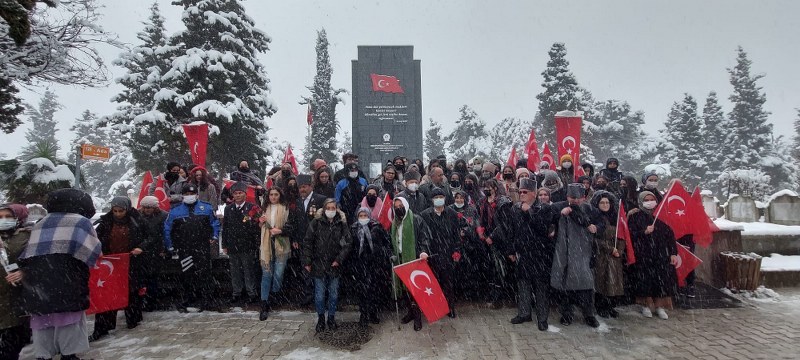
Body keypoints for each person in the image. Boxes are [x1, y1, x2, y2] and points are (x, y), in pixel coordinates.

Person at [18, 189, 101, 360]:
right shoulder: (81, 222)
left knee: (43, 322)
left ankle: (44, 355)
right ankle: (68, 355)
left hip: (39, 283)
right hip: (68, 280)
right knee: (69, 321)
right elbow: (92, 252)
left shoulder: (41, 222)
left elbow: (27, 255)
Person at [90, 197, 152, 342]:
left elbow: (151, 237)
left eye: (121, 211)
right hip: (111, 263)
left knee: (131, 291)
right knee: (107, 294)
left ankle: (133, 320)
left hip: (131, 262)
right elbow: (95, 239)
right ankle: (103, 327)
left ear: (127, 209)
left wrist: (141, 247)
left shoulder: (137, 220)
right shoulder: (105, 222)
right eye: (115, 211)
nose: (118, 214)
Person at [502, 179, 554, 331]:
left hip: (539, 253)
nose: (522, 194)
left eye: (525, 192)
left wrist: (529, 211)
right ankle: (524, 313)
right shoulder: (515, 208)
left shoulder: (543, 208)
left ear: (534, 193)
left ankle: (542, 318)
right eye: (520, 192)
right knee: (523, 284)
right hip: (522, 253)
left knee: (540, 287)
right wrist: (510, 250)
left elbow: (542, 228)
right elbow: (511, 231)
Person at [550, 184, 603, 328]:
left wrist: (596, 227)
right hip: (564, 252)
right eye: (571, 197)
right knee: (566, 286)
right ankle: (566, 314)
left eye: (577, 198)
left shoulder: (591, 209)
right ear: (567, 197)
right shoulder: (558, 206)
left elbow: (602, 223)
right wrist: (560, 214)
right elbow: (547, 219)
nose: (574, 201)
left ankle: (589, 315)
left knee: (586, 286)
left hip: (584, 253)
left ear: (584, 198)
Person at [163, 184, 221, 312]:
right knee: (187, 274)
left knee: (205, 274)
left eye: (192, 194)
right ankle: (188, 299)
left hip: (202, 247)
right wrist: (170, 245)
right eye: (187, 194)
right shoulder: (175, 211)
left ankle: (207, 300)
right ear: (183, 195)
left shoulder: (206, 208)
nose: (189, 196)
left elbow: (215, 223)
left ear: (196, 194)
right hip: (185, 248)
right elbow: (168, 229)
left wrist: (214, 236)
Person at [627, 191, 678, 320]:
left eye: (652, 199)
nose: (650, 202)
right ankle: (645, 305)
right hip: (643, 254)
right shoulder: (635, 216)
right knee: (644, 280)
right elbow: (630, 234)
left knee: (660, 280)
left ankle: (660, 306)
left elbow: (670, 235)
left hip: (661, 255)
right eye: (646, 199)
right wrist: (643, 232)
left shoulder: (660, 214)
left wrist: (673, 253)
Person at [302, 199, 352, 332]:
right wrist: (307, 261)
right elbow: (308, 242)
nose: (331, 210)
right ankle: (320, 319)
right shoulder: (316, 222)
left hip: (335, 265)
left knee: (334, 294)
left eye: (333, 207)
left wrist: (339, 259)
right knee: (319, 294)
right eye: (328, 207)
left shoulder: (341, 223)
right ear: (324, 209)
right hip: (318, 264)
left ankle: (331, 318)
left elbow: (347, 243)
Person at [390, 197, 431, 331]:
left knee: (414, 289)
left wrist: (423, 251)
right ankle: (410, 312)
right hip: (400, 259)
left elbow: (424, 237)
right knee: (405, 289)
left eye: (401, 205)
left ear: (406, 205)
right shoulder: (395, 223)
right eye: (396, 207)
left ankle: (418, 316)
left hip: (414, 258)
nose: (398, 208)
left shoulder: (416, 220)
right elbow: (392, 241)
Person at [419, 188, 460, 317]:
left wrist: (457, 251)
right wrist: (424, 251)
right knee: (433, 283)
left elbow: (456, 234)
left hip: (447, 253)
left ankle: (450, 307)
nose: (438, 199)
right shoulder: (425, 215)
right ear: (432, 200)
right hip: (432, 253)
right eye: (436, 197)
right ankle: (436, 307)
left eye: (441, 197)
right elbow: (423, 235)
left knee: (448, 282)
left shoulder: (452, 213)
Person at [257, 187, 296, 320]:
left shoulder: (285, 208)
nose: (273, 197)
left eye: (276, 194)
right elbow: (259, 227)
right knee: (266, 274)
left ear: (280, 195)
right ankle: (264, 303)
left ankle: (274, 296)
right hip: (266, 245)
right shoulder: (263, 209)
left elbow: (291, 226)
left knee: (278, 274)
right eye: (271, 195)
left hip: (281, 245)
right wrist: (260, 223)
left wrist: (280, 231)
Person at [349, 208, 391, 326]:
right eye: (361, 216)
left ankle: (373, 313)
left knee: (374, 289)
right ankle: (363, 314)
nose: (363, 218)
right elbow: (350, 246)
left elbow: (386, 242)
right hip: (360, 264)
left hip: (375, 263)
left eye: (365, 215)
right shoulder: (353, 228)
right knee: (362, 291)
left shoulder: (376, 227)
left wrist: (384, 254)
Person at [222, 182, 262, 307]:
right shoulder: (228, 208)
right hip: (233, 245)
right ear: (232, 195)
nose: (238, 195)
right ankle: (237, 293)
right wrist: (224, 244)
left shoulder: (252, 207)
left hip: (247, 244)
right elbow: (226, 228)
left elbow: (257, 228)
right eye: (235, 193)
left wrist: (255, 243)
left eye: (240, 193)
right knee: (235, 271)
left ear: (245, 194)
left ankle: (251, 293)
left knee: (248, 270)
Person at [0, 204, 31, 360]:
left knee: (13, 343)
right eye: (0, 217)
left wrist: (24, 272)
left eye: (8, 217)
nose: (3, 220)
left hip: (18, 298)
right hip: (1, 297)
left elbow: (38, 261)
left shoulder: (27, 235)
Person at [478, 179, 515, 308]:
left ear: (495, 188)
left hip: (499, 240)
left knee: (500, 268)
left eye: (489, 187)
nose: (487, 189)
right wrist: (480, 231)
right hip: (485, 240)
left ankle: (499, 297)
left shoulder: (502, 202)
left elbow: (504, 223)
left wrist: (493, 236)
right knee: (490, 268)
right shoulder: (482, 202)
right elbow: (479, 219)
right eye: (485, 186)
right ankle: (491, 292)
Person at [590, 191, 625, 318]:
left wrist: (619, 250)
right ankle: (601, 306)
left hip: (615, 256)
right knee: (601, 282)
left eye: (607, 202)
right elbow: (595, 239)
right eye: (602, 203)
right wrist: (610, 249)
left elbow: (622, 236)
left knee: (613, 282)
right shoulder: (595, 217)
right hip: (601, 255)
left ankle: (611, 306)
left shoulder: (616, 217)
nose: (605, 205)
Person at [137, 196, 168, 311]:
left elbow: (165, 233)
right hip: (141, 250)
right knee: (142, 278)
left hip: (156, 250)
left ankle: (152, 302)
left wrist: (164, 248)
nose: (147, 210)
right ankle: (143, 301)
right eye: (145, 207)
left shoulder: (164, 216)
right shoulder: (138, 216)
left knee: (153, 278)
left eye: (149, 208)